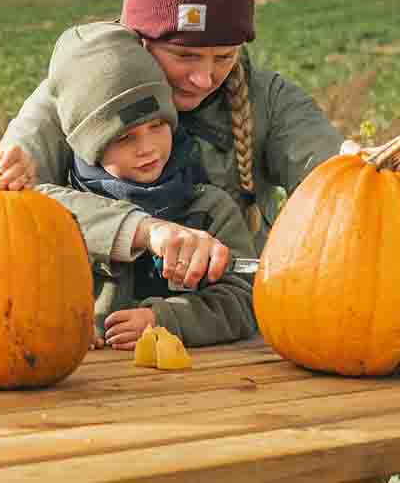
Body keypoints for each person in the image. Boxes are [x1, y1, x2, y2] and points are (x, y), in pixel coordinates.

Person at [0, 0, 400, 273]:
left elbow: (327, 166)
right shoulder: (76, 92)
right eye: (184, 56)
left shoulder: (269, 99)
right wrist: (142, 230)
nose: (204, 77)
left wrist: (381, 169)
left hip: (232, 327)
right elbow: (12, 204)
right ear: (140, 40)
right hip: (97, 334)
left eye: (224, 57)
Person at [32, 22, 256, 350]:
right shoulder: (59, 218)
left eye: (157, 126)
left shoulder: (210, 209)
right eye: (124, 138)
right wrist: (63, 328)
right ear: (89, 146)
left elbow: (242, 301)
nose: (148, 147)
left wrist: (167, 319)